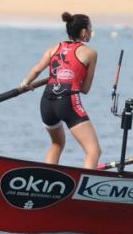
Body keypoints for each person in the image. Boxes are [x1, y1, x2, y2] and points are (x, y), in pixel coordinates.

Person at [20, 12, 101, 169]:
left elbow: (37, 70)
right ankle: (83, 189)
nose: (91, 32)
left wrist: (25, 83)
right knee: (93, 151)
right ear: (84, 32)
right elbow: (85, 89)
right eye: (90, 29)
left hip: (46, 102)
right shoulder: (90, 53)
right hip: (67, 102)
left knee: (57, 144)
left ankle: (48, 181)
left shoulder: (54, 48)